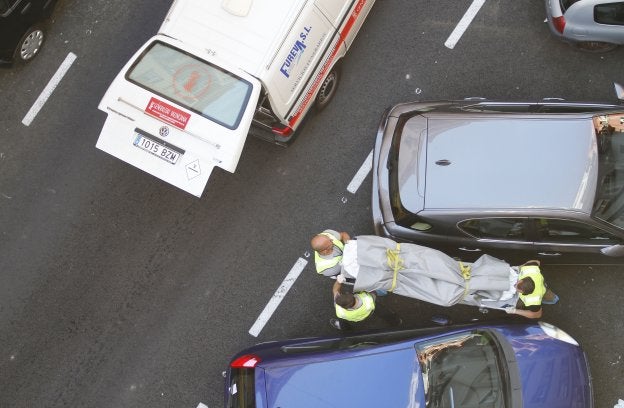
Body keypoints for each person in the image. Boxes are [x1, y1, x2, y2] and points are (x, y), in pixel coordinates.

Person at [330, 275, 401, 330]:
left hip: (353, 318)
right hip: (369, 311)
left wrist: (338, 281)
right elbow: (374, 293)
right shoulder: (367, 300)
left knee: (343, 321)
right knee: (381, 310)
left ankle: (345, 329)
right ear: (353, 296)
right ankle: (395, 321)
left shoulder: (339, 310)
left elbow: (335, 290)